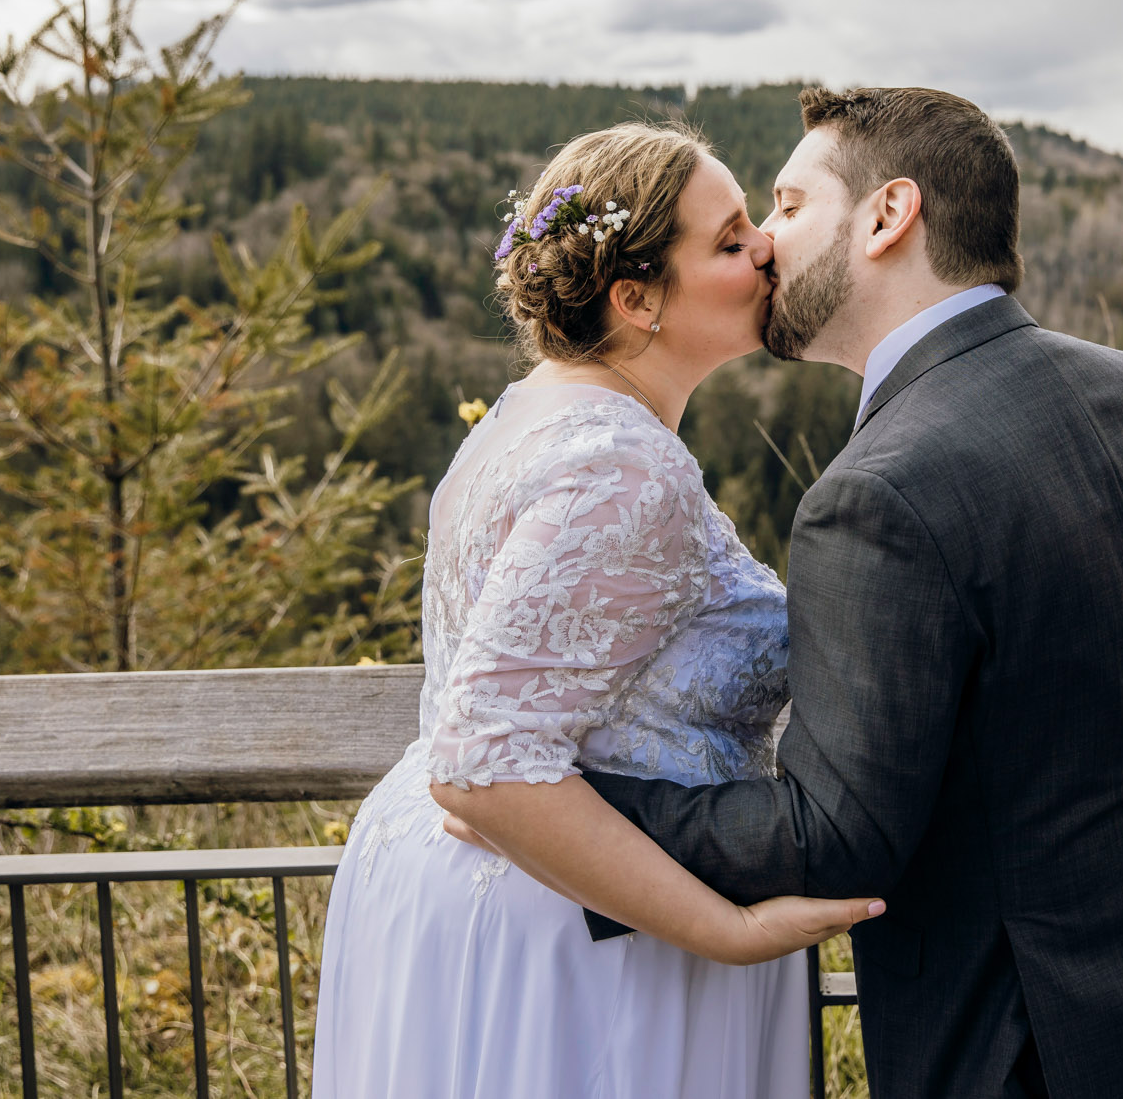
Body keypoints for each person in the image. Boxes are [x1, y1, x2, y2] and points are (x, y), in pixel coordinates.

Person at [557, 87, 1123, 1098]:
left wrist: (567, 814)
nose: (766, 245)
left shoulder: (874, 494)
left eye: (787, 204)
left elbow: (834, 839)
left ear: (887, 214)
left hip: (1028, 1038)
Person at [310, 122, 882, 1099]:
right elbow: (483, 764)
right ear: (634, 298)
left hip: (497, 894)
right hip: (585, 929)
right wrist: (725, 928)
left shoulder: (528, 415)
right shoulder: (621, 466)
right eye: (730, 237)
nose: (765, 249)